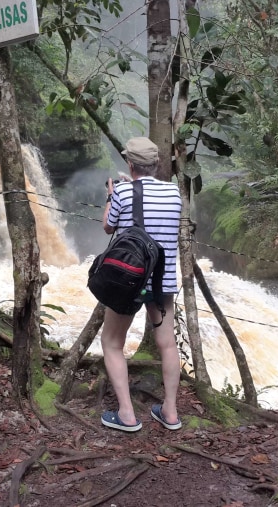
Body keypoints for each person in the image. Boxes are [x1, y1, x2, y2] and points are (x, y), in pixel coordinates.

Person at [100, 137, 183, 432]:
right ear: (157, 164)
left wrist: (112, 195)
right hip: (162, 280)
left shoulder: (122, 191)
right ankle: (170, 413)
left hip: (129, 280)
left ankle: (126, 415)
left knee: (111, 343)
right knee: (167, 344)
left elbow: (109, 226)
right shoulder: (174, 193)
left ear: (130, 164)